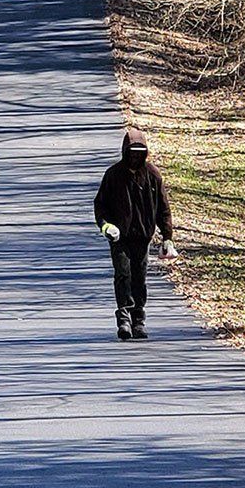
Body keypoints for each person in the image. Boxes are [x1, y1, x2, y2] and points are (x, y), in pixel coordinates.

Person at [94, 127, 178, 340]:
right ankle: (123, 319)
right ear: (125, 151)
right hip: (119, 237)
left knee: (139, 277)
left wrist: (167, 237)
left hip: (143, 236)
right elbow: (100, 205)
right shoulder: (113, 175)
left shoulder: (152, 175)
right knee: (123, 274)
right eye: (131, 152)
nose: (134, 157)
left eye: (139, 153)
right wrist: (106, 226)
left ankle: (138, 319)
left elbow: (163, 208)